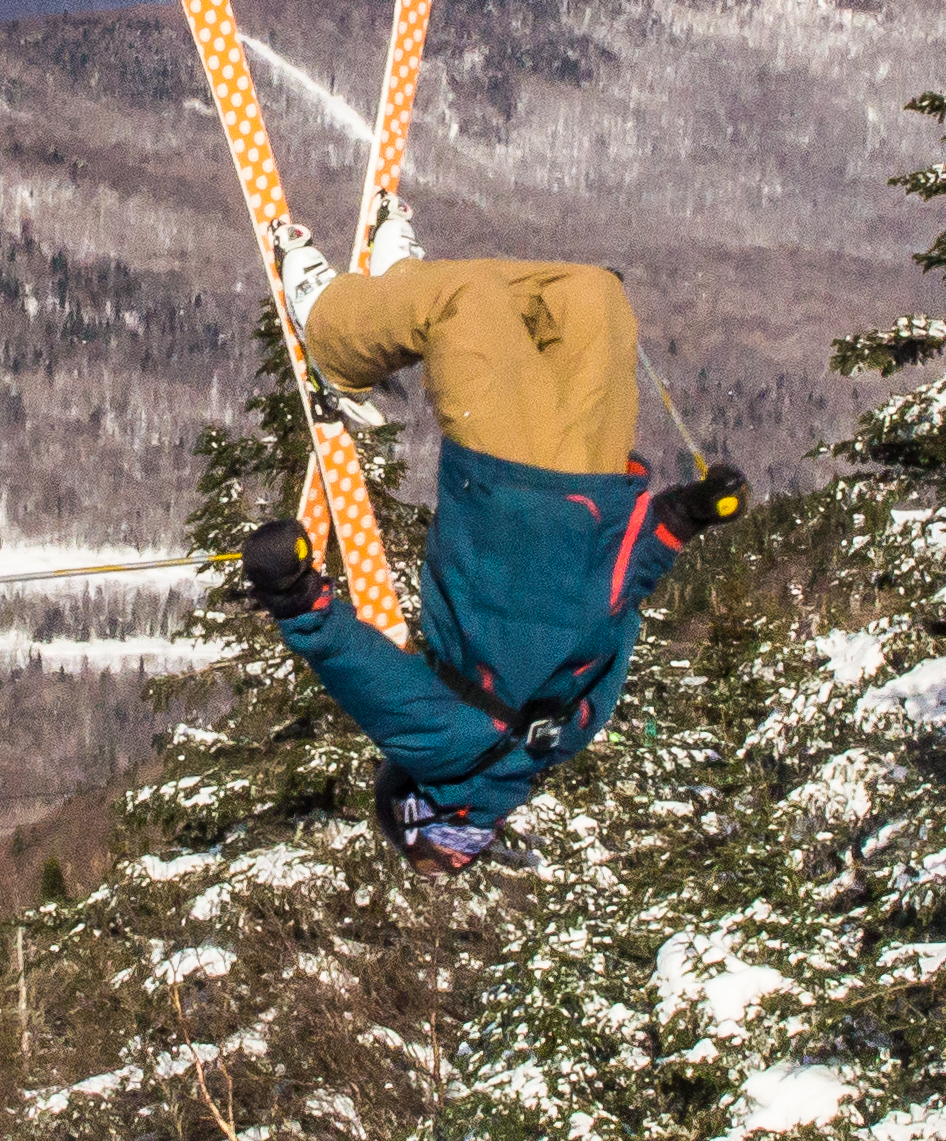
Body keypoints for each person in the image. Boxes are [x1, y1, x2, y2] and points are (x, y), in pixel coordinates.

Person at [238, 212, 740, 868]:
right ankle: (402, 285)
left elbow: (361, 670)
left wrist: (294, 596)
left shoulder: (448, 748)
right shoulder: (561, 735)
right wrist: (684, 516)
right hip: (598, 483)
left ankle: (334, 338)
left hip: (510, 479)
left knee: (464, 304)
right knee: (591, 298)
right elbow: (614, 596)